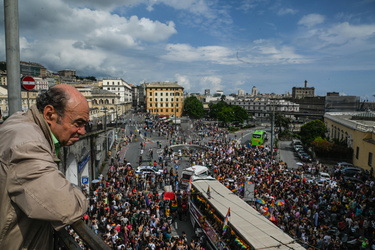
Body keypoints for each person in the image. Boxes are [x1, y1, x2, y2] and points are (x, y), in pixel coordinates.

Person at [0, 84, 89, 249]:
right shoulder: (27, 144)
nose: (82, 131)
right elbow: (67, 206)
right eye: (78, 123)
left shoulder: (21, 122)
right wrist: (81, 196)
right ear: (50, 114)